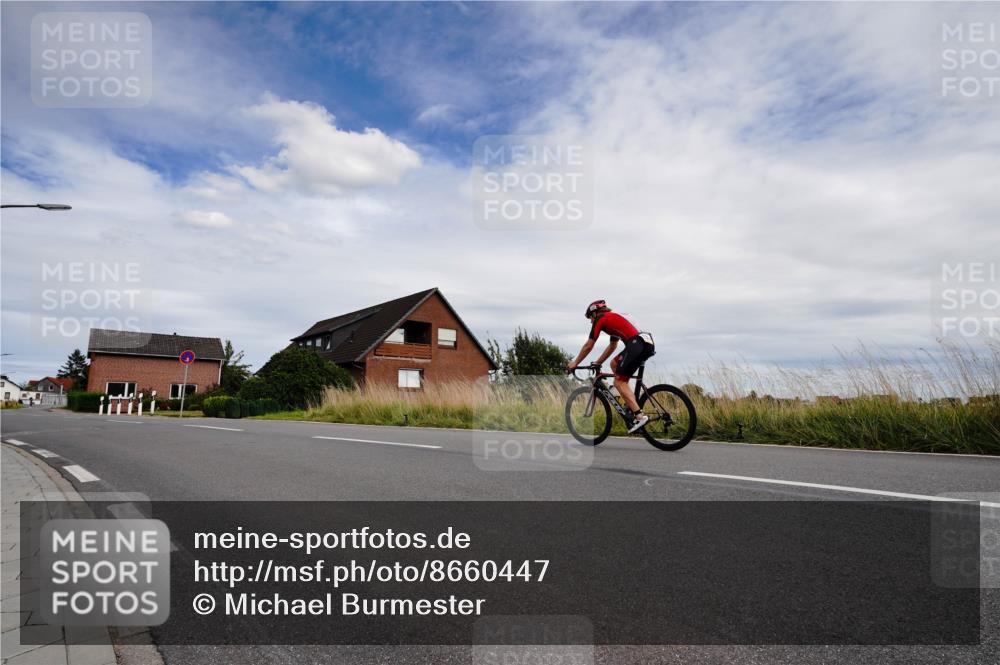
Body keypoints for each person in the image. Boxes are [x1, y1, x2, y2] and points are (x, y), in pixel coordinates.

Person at [567, 300, 655, 433]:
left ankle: (639, 416)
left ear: (595, 313)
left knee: (619, 382)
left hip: (636, 343)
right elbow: (612, 346)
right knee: (614, 364)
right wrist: (598, 362)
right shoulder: (613, 318)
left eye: (590, 318)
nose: (591, 322)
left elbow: (589, 345)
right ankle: (631, 403)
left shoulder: (601, 319)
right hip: (646, 342)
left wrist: (575, 363)